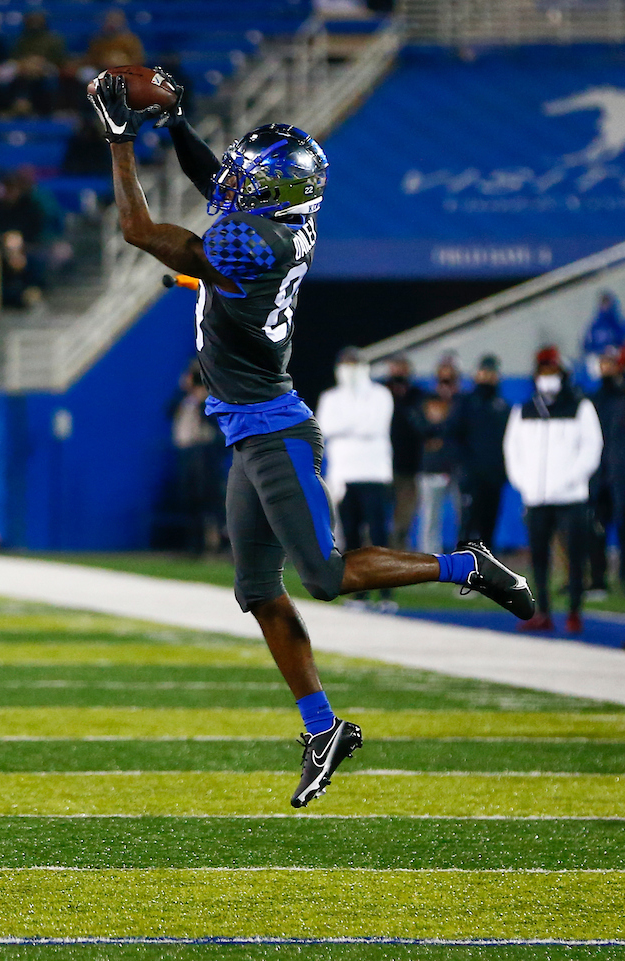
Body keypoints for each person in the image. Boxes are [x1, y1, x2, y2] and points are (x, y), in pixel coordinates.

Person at [91, 69, 535, 808]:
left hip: (275, 431)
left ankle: (465, 563)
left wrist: (119, 139)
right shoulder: (275, 223)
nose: (231, 181)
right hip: (247, 430)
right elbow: (217, 184)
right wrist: (173, 125)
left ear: (268, 195)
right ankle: (323, 727)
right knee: (256, 587)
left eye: (246, 179)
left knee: (325, 575)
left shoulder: (247, 244)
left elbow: (138, 230)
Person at [504, 346, 603, 634]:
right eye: (543, 372)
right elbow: (512, 449)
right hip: (536, 496)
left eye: (553, 372)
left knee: (573, 556)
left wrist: (572, 479)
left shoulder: (579, 406)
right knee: (538, 557)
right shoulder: (524, 409)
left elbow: (591, 447)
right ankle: (542, 611)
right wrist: (524, 482)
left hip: (570, 496)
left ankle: (574, 611)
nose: (547, 378)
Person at [316, 347, 395, 610]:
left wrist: (347, 427)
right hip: (344, 474)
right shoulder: (330, 397)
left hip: (375, 473)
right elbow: (325, 428)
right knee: (349, 537)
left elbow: (377, 426)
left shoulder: (381, 395)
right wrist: (357, 426)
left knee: (379, 536)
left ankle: (386, 594)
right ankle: (358, 592)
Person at [450, 354, 511, 547]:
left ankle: (486, 568)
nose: (487, 376)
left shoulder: (502, 406)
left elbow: (510, 442)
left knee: (489, 525)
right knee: (468, 524)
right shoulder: (466, 402)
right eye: (484, 372)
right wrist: (463, 467)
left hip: (494, 477)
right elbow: (453, 435)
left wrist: (503, 471)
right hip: (471, 476)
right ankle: (463, 566)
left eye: (491, 372)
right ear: (476, 374)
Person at [169, 359, 223, 554]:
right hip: (187, 451)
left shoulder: (208, 401)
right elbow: (169, 409)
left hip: (203, 453)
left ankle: (212, 541)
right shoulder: (185, 401)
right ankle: (194, 543)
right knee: (189, 497)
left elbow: (214, 426)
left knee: (206, 498)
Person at [411, 358, 461, 555]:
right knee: (430, 518)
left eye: (450, 381)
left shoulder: (461, 402)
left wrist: (441, 431)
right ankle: (429, 559)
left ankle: (465, 559)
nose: (446, 386)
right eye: (442, 381)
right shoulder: (425, 401)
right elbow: (420, 429)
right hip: (431, 467)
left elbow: (459, 431)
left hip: (457, 467)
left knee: (462, 518)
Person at [590, 347, 625, 596]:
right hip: (598, 473)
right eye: (603, 362)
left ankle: (623, 578)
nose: (606, 368)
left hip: (621, 473)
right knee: (596, 528)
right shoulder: (592, 400)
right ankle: (598, 580)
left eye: (610, 363)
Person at [382, 355, 425, 549]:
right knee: (378, 516)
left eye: (402, 368)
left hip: (409, 466)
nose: (399, 372)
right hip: (381, 466)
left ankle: (398, 553)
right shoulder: (380, 394)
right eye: (395, 368)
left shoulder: (418, 395)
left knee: (404, 518)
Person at [583, 291, 625, 381]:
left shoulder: (619, 323)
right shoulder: (595, 326)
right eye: (604, 303)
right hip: (600, 359)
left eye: (608, 303)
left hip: (618, 359)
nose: (606, 307)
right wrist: (602, 352)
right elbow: (587, 346)